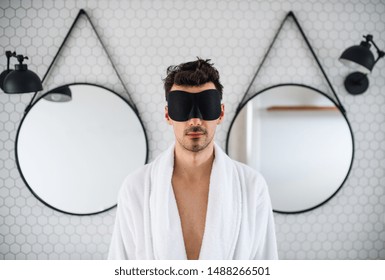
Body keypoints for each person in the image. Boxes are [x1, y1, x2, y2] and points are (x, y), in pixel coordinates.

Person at [108, 58, 278, 260]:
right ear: (168, 115)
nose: (195, 120)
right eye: (182, 107)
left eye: (206, 106)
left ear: (221, 113)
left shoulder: (252, 186)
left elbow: (265, 263)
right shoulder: (136, 187)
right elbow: (120, 263)